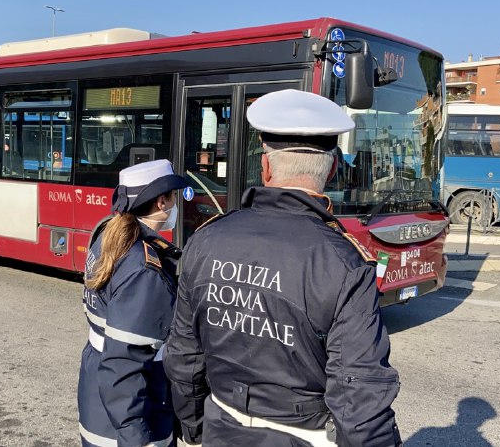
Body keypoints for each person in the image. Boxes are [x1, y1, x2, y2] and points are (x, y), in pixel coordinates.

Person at [163, 89, 402, 447]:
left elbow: (183, 352)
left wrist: (195, 425)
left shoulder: (205, 240)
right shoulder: (344, 263)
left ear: (266, 165)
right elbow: (359, 392)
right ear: (333, 169)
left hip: (220, 427)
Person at [78, 159, 188, 447]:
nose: (176, 205)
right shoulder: (144, 269)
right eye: (174, 198)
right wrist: (136, 439)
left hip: (99, 400)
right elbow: (124, 364)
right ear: (162, 202)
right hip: (133, 414)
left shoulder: (107, 237)